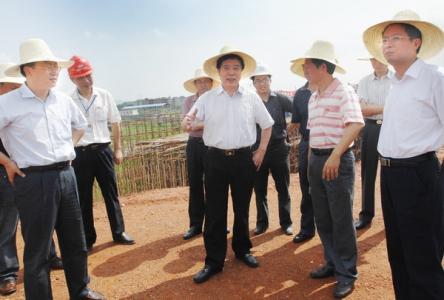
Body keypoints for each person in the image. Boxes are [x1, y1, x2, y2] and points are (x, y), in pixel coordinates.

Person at [0, 38, 104, 300]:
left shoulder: (62, 101)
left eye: (56, 66)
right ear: (28, 70)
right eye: (48, 65)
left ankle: (80, 291)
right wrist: (6, 161)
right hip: (33, 180)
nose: (55, 71)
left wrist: (66, 147)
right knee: (38, 249)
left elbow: (80, 126)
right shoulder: (8, 103)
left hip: (66, 175)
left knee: (75, 241)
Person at [363, 10, 444, 299]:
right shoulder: (396, 82)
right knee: (398, 252)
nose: (387, 45)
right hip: (390, 174)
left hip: (418, 174)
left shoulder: (434, 78)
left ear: (416, 42)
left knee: (423, 256)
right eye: (385, 39)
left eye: (395, 38)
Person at [184, 46, 274, 284]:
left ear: (242, 72)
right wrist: (188, 121)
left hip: (244, 159)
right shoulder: (207, 98)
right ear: (218, 71)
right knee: (214, 211)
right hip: (214, 159)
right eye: (226, 68)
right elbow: (191, 119)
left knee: (242, 207)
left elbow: (267, 124)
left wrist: (261, 151)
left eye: (236, 68)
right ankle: (213, 261)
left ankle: (243, 249)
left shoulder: (251, 97)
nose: (231, 72)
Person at [291, 40, 364, 298]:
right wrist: (312, 160)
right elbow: (312, 134)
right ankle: (332, 262)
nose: (304, 68)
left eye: (308, 64)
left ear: (323, 66)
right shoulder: (313, 97)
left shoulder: (343, 91)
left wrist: (334, 155)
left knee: (341, 218)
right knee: (323, 216)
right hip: (318, 160)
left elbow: (355, 124)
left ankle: (346, 273)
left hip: (337, 160)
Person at [0, 63, 63, 296]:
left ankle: (50, 255)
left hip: (31, 172)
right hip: (5, 172)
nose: (16, 90)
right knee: (6, 222)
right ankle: (7, 273)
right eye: (11, 87)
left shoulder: (26, 105)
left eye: (17, 86)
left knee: (40, 218)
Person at [68, 55, 135, 251]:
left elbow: (115, 122)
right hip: (80, 153)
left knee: (111, 193)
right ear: (72, 80)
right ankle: (88, 239)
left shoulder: (104, 95)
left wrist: (118, 148)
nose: (87, 80)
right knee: (84, 197)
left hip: (103, 151)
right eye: (81, 77)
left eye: (89, 75)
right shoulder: (68, 100)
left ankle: (119, 232)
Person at [250, 64, 293, 236]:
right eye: (258, 80)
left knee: (283, 187)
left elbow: (297, 111)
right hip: (257, 151)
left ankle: (286, 223)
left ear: (270, 80)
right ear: (253, 83)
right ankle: (262, 223)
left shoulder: (280, 99)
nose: (262, 83)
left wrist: (288, 130)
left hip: (278, 149)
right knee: (259, 189)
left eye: (265, 80)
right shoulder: (250, 101)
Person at [181, 69, 218, 240]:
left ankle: (215, 224)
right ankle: (195, 225)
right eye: (199, 81)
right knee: (195, 183)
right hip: (194, 145)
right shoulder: (189, 101)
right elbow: (186, 124)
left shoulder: (217, 99)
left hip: (213, 145)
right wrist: (202, 124)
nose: (203, 84)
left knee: (213, 185)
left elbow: (216, 122)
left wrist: (197, 124)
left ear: (211, 83)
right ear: (195, 84)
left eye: (206, 81)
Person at [354, 57, 391, 230]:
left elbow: (370, 107)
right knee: (368, 173)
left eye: (378, 56)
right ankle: (366, 215)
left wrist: (374, 107)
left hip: (392, 129)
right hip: (370, 129)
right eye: (372, 57)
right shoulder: (364, 81)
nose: (375, 60)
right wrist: (389, 106)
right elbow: (363, 109)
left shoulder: (397, 79)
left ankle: (392, 216)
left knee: (391, 174)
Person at [288, 61, 317, 243]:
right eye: (304, 70)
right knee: (306, 186)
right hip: (307, 142)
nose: (307, 72)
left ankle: (332, 232)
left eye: (310, 68)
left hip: (329, 143)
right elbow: (296, 121)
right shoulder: (300, 94)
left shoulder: (334, 89)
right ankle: (307, 228)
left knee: (330, 187)